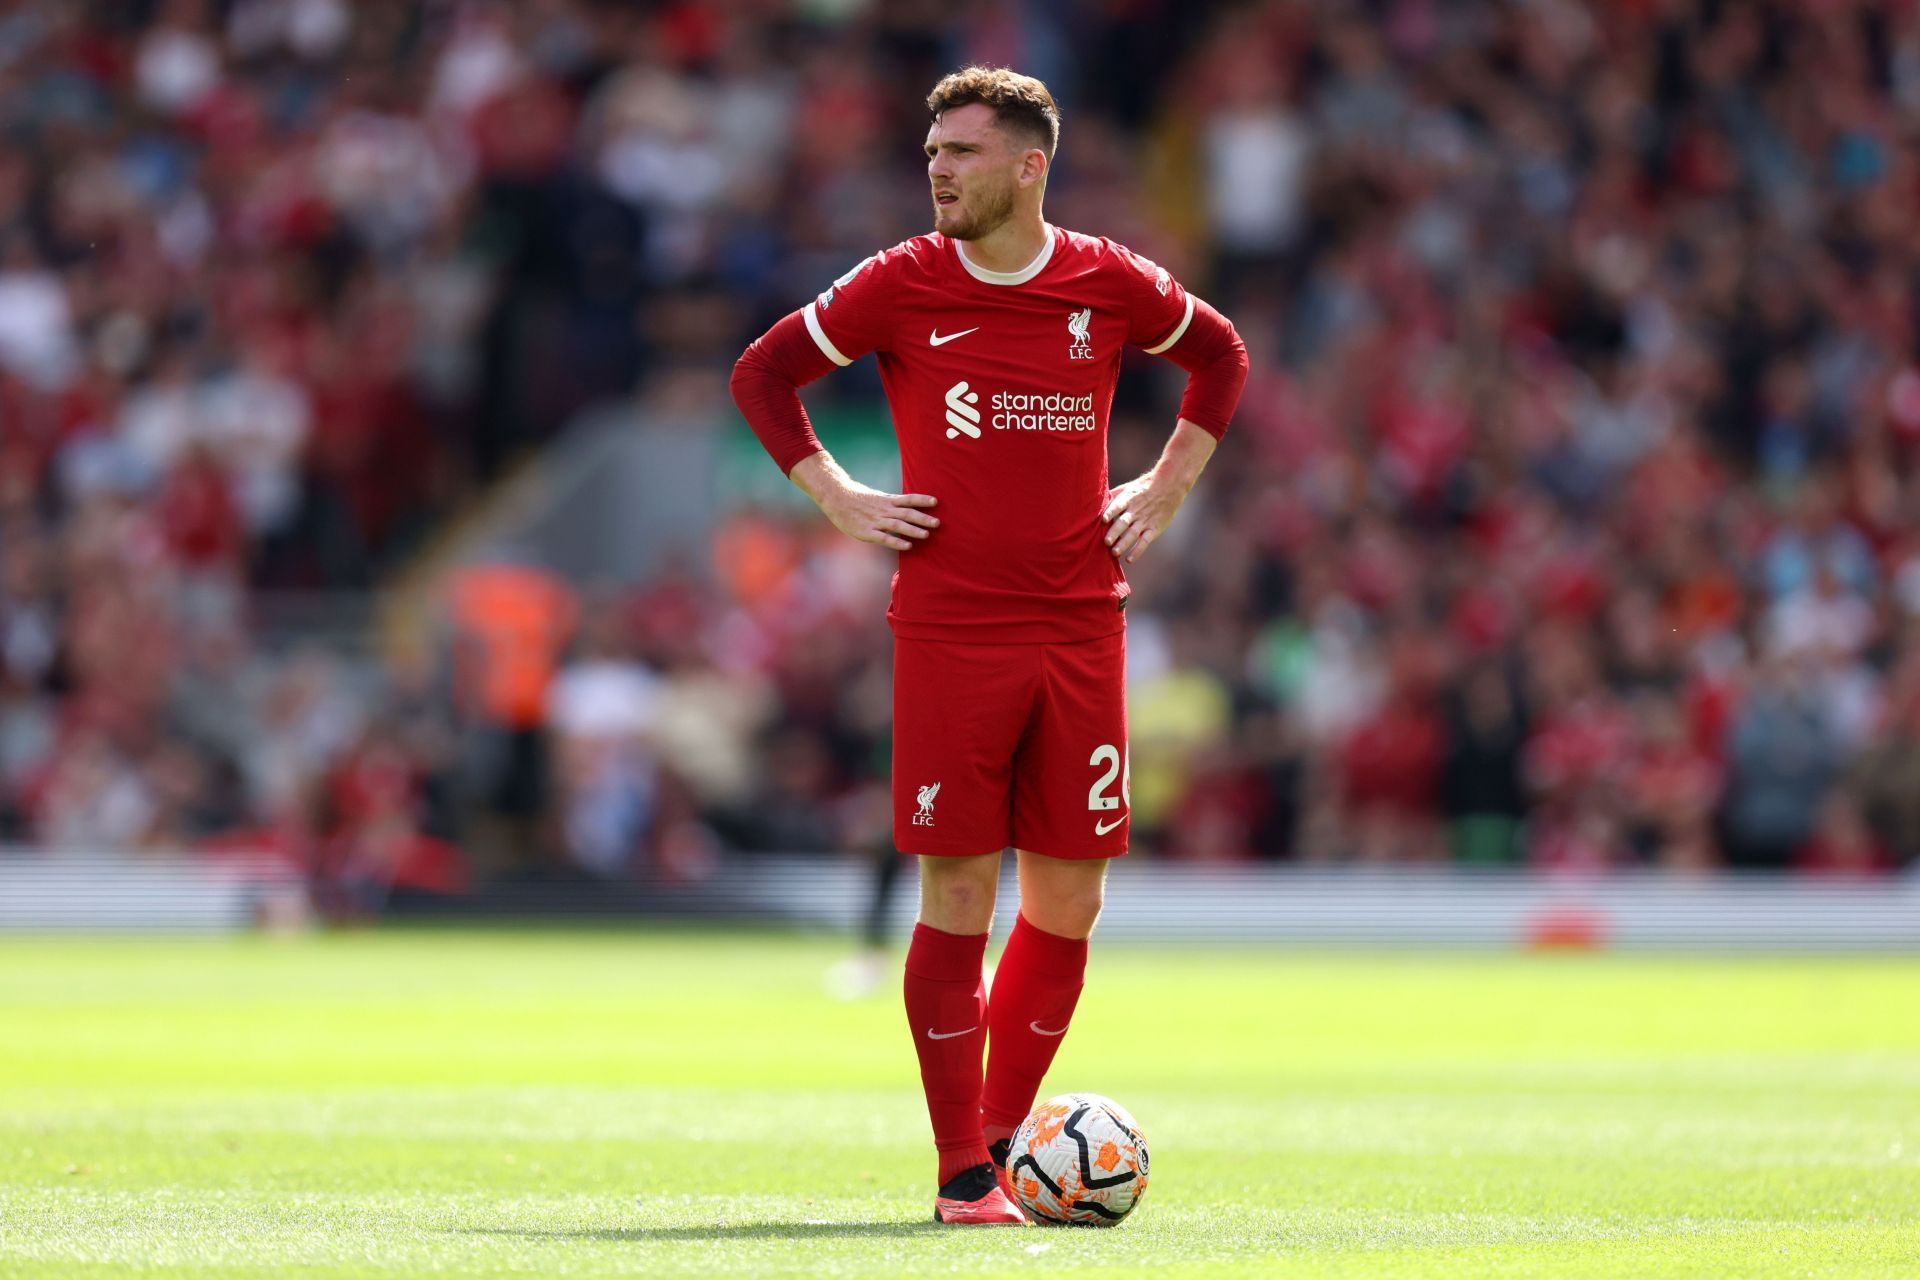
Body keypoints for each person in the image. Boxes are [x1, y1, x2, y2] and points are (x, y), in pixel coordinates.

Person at [730, 66, 1247, 1225]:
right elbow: (763, 371)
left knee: (1069, 897)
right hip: (953, 627)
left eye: (963, 153)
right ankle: (963, 1167)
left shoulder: (1105, 280)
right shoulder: (902, 283)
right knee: (958, 885)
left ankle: (1010, 1142)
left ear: (1029, 165)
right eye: (932, 154)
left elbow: (1221, 356)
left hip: (1081, 622)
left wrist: (1168, 482)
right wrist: (836, 493)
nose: (940, 172)